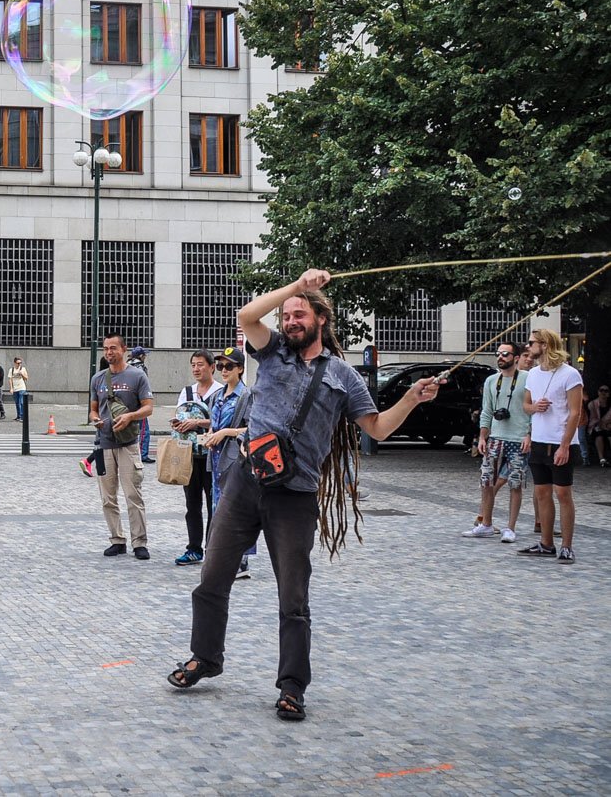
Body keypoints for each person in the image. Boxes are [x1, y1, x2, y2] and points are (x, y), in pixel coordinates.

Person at [168, 269, 441, 723]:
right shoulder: (272, 352)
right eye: (287, 315)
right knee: (212, 578)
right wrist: (296, 286)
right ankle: (205, 656)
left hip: (294, 497)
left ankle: (292, 686)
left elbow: (376, 427)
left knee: (293, 597)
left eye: (299, 314)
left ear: (320, 319)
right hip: (245, 482)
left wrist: (411, 399)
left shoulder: (344, 376)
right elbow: (246, 315)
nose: (291, 320)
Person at [519, 328, 584, 564]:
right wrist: (534, 407)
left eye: (532, 343)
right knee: (542, 492)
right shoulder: (533, 374)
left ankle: (566, 546)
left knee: (563, 493)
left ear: (545, 345)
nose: (528, 347)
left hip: (560, 441)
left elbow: (576, 412)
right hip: (539, 440)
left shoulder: (570, 374)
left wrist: (565, 445)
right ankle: (546, 543)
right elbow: (525, 405)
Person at [90, 333, 154, 559]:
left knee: (132, 495)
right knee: (108, 497)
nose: (109, 352)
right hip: (104, 444)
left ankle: (139, 542)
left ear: (123, 349)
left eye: (113, 348)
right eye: (106, 348)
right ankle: (117, 539)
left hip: (128, 443)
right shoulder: (98, 378)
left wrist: (130, 417)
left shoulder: (137, 376)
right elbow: (93, 408)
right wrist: (95, 418)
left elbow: (148, 408)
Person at [465, 342, 531, 543]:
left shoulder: (528, 379)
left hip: (518, 438)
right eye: (498, 354)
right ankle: (486, 523)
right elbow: (487, 410)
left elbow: (533, 409)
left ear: (516, 357)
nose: (501, 357)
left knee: (515, 483)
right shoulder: (492, 381)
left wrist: (529, 434)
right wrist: (483, 436)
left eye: (505, 353)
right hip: (496, 437)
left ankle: (510, 528)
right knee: (486, 480)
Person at [199, 348, 254, 579]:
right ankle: (222, 556)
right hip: (216, 459)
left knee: (237, 508)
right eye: (221, 366)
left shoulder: (246, 396)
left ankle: (240, 559)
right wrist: (211, 434)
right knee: (218, 508)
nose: (224, 370)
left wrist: (225, 432)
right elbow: (214, 423)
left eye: (229, 366)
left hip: (236, 460)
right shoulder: (216, 396)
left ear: (240, 369)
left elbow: (253, 428)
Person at [172, 352, 220, 566]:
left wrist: (197, 423)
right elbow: (181, 414)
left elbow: (222, 421)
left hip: (213, 455)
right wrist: (178, 423)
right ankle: (193, 548)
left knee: (213, 504)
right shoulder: (187, 391)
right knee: (192, 504)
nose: (196, 369)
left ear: (212, 367)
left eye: (200, 364)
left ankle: (213, 548)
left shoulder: (220, 391)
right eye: (193, 365)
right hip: (190, 455)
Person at [129, 347, 155, 464]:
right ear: (140, 356)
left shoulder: (126, 366)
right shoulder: (140, 368)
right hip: (139, 403)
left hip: (127, 403)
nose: (145, 357)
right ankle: (142, 454)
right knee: (144, 430)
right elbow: (143, 386)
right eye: (144, 355)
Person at [584, 381, 610, 468]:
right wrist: (602, 425)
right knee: (599, 434)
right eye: (601, 390)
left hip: (608, 426)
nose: (603, 392)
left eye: (606, 391)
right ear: (598, 392)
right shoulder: (592, 404)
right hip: (596, 426)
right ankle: (602, 459)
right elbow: (593, 419)